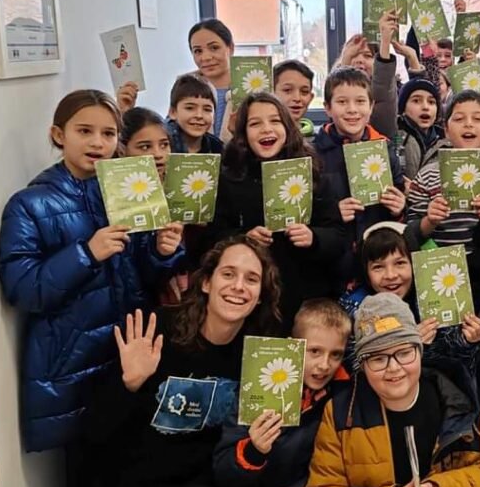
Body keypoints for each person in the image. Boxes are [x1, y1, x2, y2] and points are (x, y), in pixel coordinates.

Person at [0, 90, 184, 487]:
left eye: (108, 133)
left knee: (128, 442)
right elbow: (23, 288)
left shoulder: (123, 187)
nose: (98, 143)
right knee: (83, 454)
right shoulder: (30, 204)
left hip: (127, 344)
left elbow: (144, 271)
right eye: (85, 131)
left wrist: (163, 251)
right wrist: (86, 252)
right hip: (73, 355)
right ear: (58, 135)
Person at [86, 238, 283, 487]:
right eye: (228, 274)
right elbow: (93, 432)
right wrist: (129, 385)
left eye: (251, 279)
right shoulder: (157, 331)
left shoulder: (257, 356)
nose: (238, 286)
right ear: (206, 282)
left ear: (260, 295)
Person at [306, 293, 480, 487]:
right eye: (378, 358)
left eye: (404, 353)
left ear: (419, 351)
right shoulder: (341, 413)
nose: (394, 368)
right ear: (363, 365)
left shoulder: (455, 399)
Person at [214, 298, 352, 487]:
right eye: (314, 351)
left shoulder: (342, 397)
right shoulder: (257, 387)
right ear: (292, 346)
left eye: (336, 354)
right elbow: (223, 471)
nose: (325, 365)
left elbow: (335, 470)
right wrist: (254, 451)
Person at [204, 92, 346, 327]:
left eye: (275, 121)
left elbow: (338, 236)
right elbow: (212, 237)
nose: (266, 129)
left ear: (287, 127)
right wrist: (243, 238)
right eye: (255, 123)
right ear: (243, 133)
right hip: (250, 302)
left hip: (306, 300)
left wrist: (313, 238)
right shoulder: (229, 178)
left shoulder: (312, 173)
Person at [405, 90, 480, 295]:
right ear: (446, 129)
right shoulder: (427, 175)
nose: (468, 124)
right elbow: (409, 234)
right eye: (459, 119)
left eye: (478, 119)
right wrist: (429, 220)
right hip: (438, 273)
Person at [339, 223, 480, 373]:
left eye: (400, 263)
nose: (391, 275)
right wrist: (409, 348)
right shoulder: (354, 310)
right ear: (366, 274)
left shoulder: (434, 299)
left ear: (415, 265)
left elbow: (460, 367)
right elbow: (353, 368)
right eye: (378, 267)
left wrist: (467, 342)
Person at [314, 67, 407, 282]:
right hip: (331, 266)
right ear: (327, 108)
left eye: (360, 101)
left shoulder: (384, 149)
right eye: (342, 102)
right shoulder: (313, 154)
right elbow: (306, 212)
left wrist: (399, 208)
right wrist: (333, 212)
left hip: (376, 263)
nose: (352, 110)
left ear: (371, 106)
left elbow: (400, 204)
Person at [120, 108, 189, 304]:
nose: (158, 154)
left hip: (159, 301)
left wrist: (164, 253)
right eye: (144, 147)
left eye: (164, 145)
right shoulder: (114, 197)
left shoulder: (174, 190)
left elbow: (159, 272)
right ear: (122, 149)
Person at [188, 18, 237, 141]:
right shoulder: (184, 87)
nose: (205, 57)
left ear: (230, 48)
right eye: (198, 51)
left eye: (214, 48)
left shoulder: (252, 86)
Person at [396, 77, 444, 181]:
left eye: (431, 102)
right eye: (416, 101)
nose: (425, 107)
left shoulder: (447, 142)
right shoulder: (393, 135)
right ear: (403, 108)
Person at [167, 74, 224, 154]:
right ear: (173, 112)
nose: (199, 115)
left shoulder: (217, 148)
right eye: (190, 108)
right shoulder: (162, 145)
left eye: (207, 109)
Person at [273, 59, 317, 137]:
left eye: (304, 91)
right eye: (287, 90)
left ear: (311, 98)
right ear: (271, 94)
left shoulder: (320, 140)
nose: (297, 98)